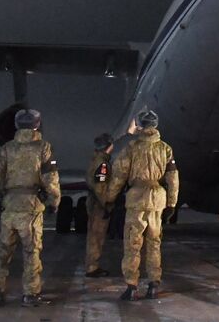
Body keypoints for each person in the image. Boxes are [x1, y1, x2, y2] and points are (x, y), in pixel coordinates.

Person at [0, 108, 61, 308]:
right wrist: (54, 201)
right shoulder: (43, 147)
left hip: (9, 207)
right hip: (31, 208)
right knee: (31, 252)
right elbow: (50, 177)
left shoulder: (7, 148)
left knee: (2, 251)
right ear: (37, 124)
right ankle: (30, 294)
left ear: (17, 126)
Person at [105, 109, 179, 301]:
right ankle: (154, 284)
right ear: (156, 125)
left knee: (133, 244)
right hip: (157, 200)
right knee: (154, 243)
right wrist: (171, 203)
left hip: (137, 199)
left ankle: (131, 286)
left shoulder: (131, 147)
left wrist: (109, 199)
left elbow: (119, 176)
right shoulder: (166, 148)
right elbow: (173, 178)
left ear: (139, 124)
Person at [84, 132, 114, 278]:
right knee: (96, 236)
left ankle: (92, 265)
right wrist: (106, 204)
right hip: (98, 204)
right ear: (108, 146)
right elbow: (100, 187)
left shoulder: (95, 159)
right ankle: (92, 267)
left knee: (93, 235)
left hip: (93, 201)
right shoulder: (102, 163)